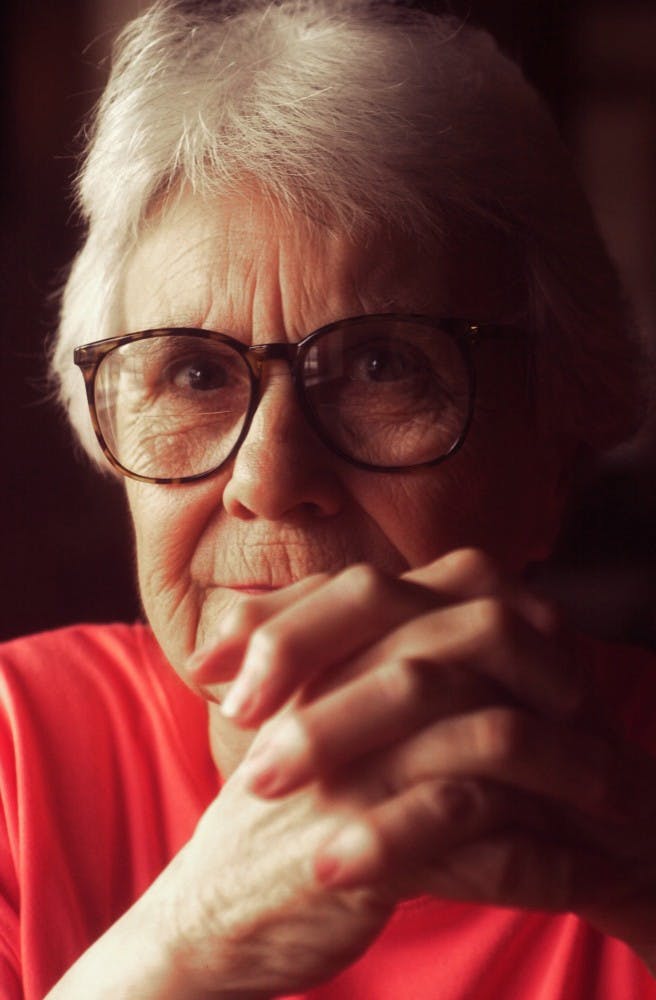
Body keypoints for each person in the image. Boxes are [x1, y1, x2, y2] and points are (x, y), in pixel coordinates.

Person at [2, 0, 656, 996]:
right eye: (190, 375)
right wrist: (179, 950)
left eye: (381, 366)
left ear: (550, 460)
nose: (270, 481)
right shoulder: (13, 759)